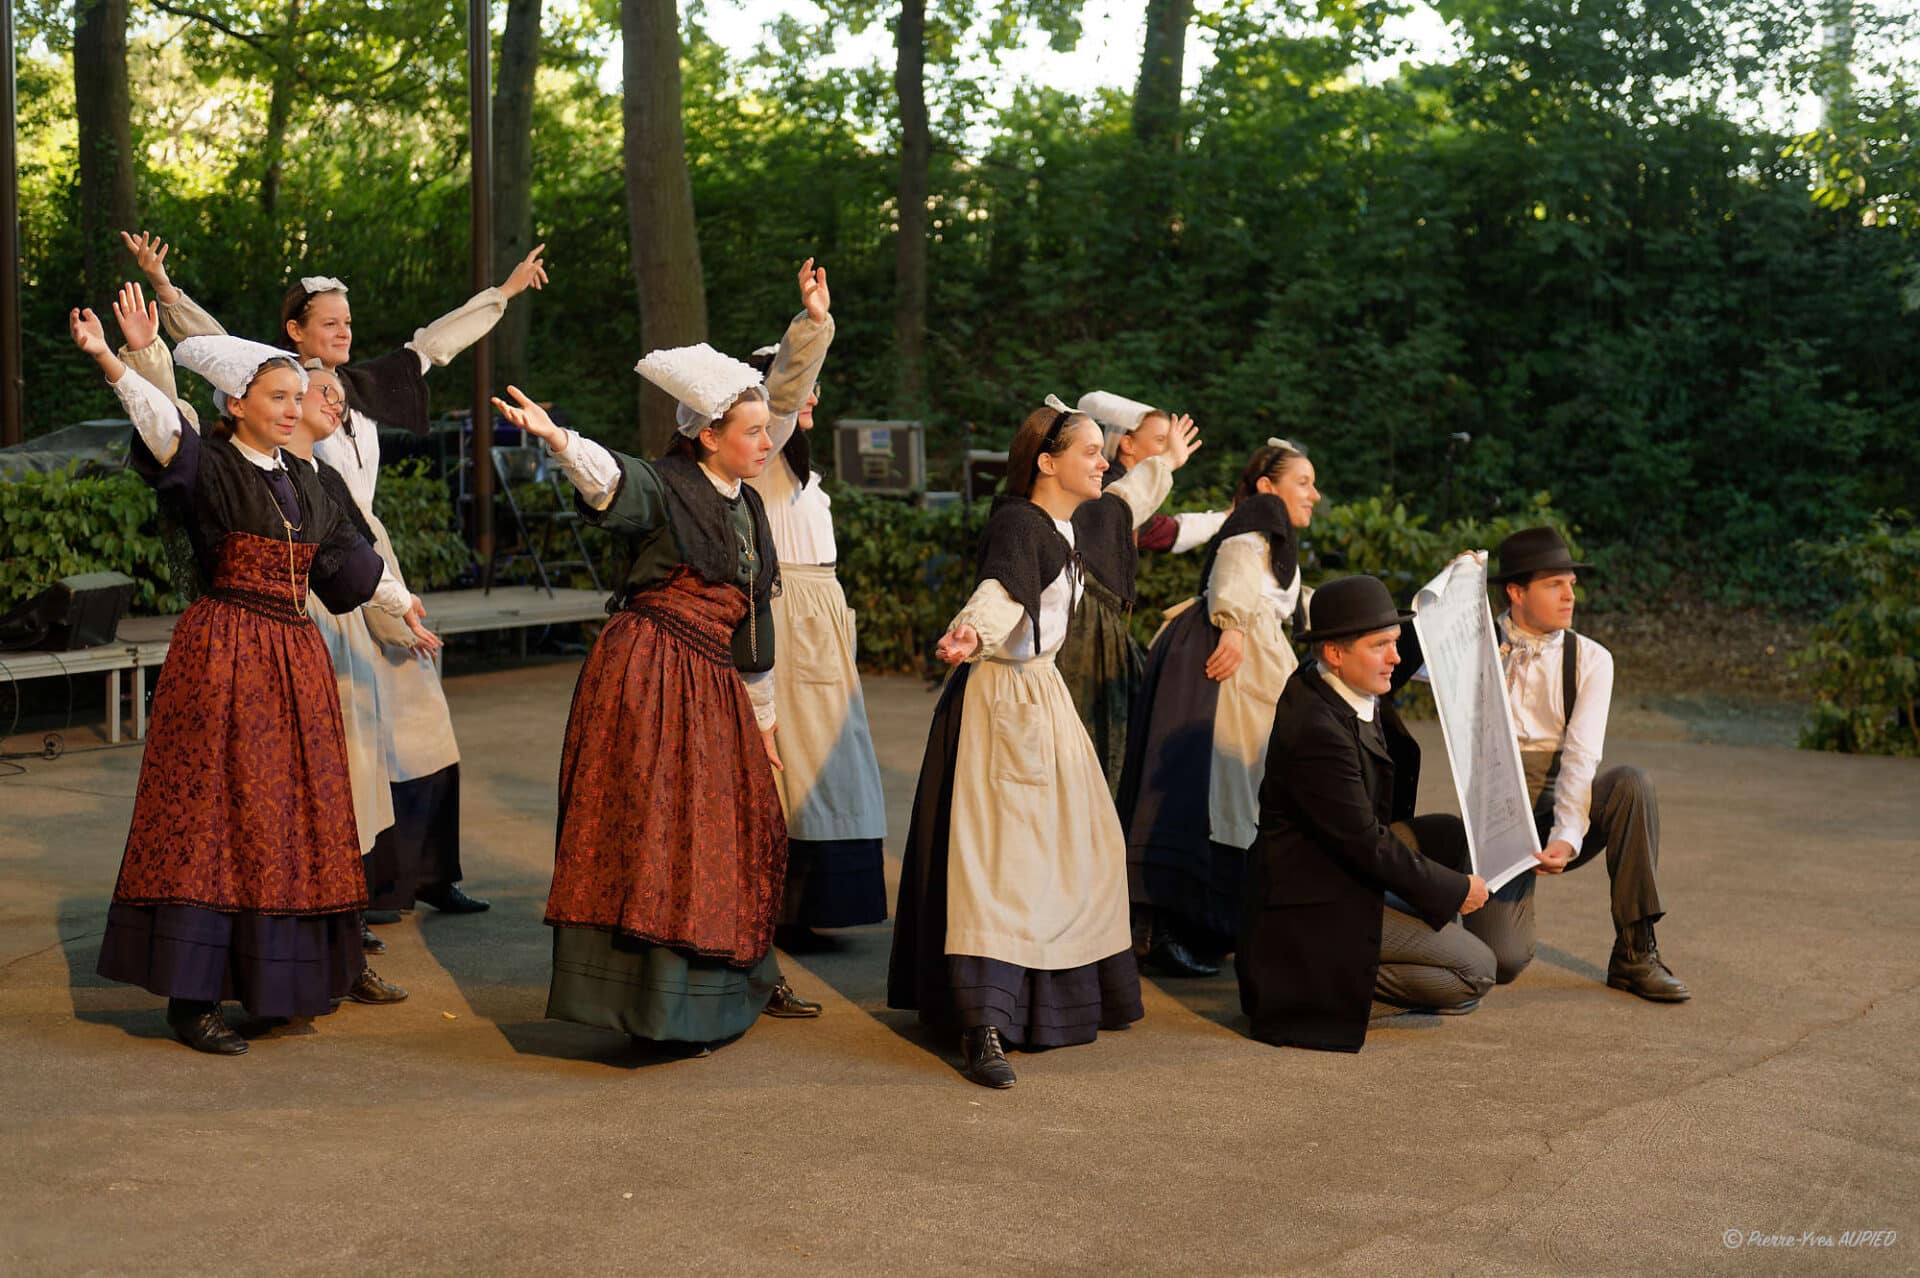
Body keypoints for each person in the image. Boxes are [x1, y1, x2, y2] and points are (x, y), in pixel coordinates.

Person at [123, 229, 541, 919]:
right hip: (311, 555)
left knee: (419, 717)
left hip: (366, 550)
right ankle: (355, 886)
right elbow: (213, 349)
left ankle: (429, 872)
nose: (344, 333)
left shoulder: (359, 386)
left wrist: (502, 293)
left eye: (349, 322)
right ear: (295, 330)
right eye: (330, 323)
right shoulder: (276, 392)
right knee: (350, 728)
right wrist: (166, 293)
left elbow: (433, 344)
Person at [76, 302, 414, 1054]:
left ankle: (273, 984)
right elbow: (162, 425)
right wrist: (115, 360)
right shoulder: (210, 461)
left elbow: (345, 561)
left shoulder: (304, 477)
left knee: (287, 820)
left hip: (294, 659)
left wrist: (402, 602)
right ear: (238, 406)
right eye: (280, 397)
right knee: (215, 817)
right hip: (226, 652)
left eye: (300, 398)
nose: (297, 409)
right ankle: (191, 999)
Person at [491, 332, 828, 1055]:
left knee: (729, 829)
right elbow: (611, 480)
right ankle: (651, 1009)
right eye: (751, 433)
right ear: (708, 437)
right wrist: (558, 439)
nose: (765, 443)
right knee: (654, 834)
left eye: (767, 431)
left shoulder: (749, 508)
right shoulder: (667, 486)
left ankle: (729, 984)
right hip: (647, 673)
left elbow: (753, 619)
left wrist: (762, 717)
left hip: (711, 681)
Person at [889, 402, 1183, 1088]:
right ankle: (982, 1021)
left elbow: (1129, 499)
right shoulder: (1021, 523)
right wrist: (972, 631)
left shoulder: (1073, 522)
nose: (1103, 462)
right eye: (1090, 452)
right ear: (1047, 462)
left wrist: (1165, 461)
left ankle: (1053, 1000)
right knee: (1000, 863)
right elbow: (1003, 585)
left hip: (1041, 697)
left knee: (1080, 849)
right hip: (1002, 699)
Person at [1237, 575, 1495, 1052]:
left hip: (1338, 871)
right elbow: (1367, 845)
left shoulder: (1330, 681)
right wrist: (1455, 890)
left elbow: (1407, 648)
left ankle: (1394, 947)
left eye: (1393, 642)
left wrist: (1452, 588)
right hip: (1315, 905)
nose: (1395, 658)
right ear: (1336, 652)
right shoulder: (1317, 729)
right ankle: (1323, 994)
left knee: (1446, 835)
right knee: (1477, 971)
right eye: (1381, 646)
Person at [1451, 528, 1689, 1002]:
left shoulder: (1592, 659)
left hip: (1562, 804)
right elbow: (1405, 660)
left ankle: (1635, 954)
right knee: (1502, 960)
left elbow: (1582, 757)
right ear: (1516, 592)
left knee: (1631, 785)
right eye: (1554, 584)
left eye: (1571, 583)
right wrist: (1457, 593)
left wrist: (1566, 835)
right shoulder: (1469, 647)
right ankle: (1450, 909)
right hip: (1496, 818)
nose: (1569, 595)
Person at [1116, 439, 1320, 977]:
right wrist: (1230, 626)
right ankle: (1173, 925)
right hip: (1226, 668)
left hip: (1254, 660)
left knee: (1240, 791)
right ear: (1266, 489)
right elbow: (1231, 575)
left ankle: (1205, 924)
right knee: (1216, 788)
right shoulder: (1252, 531)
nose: (1314, 494)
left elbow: (1295, 606)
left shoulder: (1270, 541)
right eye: (1303, 482)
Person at [742, 262, 889, 950]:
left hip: (821, 614)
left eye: (813, 391)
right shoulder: (762, 454)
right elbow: (777, 400)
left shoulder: (802, 474)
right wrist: (814, 325)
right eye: (801, 388)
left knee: (831, 748)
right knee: (793, 750)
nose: (808, 400)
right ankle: (785, 896)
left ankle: (816, 896)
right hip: (789, 614)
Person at [1053, 392, 1206, 792]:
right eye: (1159, 441)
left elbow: (1157, 529)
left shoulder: (1114, 490)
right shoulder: (1102, 494)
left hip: (1099, 623)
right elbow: (1125, 512)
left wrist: (1224, 518)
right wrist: (1169, 462)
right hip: (1082, 628)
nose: (1166, 450)